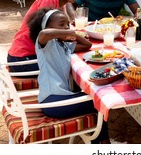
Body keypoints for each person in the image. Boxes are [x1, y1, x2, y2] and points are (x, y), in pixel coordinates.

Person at [27, 8, 110, 144]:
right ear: (48, 27)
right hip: (53, 101)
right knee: (99, 102)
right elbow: (43, 33)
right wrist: (68, 32)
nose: (66, 27)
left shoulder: (62, 45)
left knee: (95, 98)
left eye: (67, 24)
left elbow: (87, 45)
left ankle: (99, 142)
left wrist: (73, 34)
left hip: (60, 97)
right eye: (61, 24)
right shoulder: (45, 44)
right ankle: (103, 144)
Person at [7, 0, 83, 72]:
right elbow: (43, 34)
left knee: (72, 60)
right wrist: (71, 35)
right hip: (22, 59)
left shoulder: (61, 5)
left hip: (33, 55)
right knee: (71, 67)